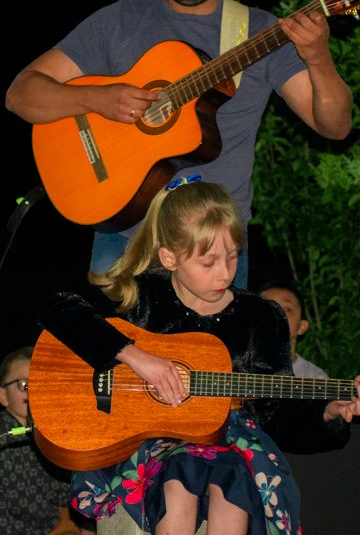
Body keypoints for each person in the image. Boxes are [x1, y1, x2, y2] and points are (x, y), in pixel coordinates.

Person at [4, 0, 353, 287]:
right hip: (122, 238)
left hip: (216, 254)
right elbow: (21, 94)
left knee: (210, 353)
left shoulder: (261, 32)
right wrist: (98, 99)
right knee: (111, 351)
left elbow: (335, 126)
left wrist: (318, 57)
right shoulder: (119, 20)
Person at [37, 178, 360, 535]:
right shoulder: (140, 295)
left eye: (233, 256)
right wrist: (133, 355)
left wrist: (328, 412)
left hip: (230, 440)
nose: (225, 273)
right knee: (183, 473)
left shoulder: (261, 317)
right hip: (148, 439)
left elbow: (277, 413)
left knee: (233, 478)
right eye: (209, 262)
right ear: (169, 258)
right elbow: (59, 308)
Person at [0, 346, 92, 535]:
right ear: (3, 396)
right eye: (24, 384)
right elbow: (30, 507)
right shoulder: (1, 435)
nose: (34, 392)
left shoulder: (53, 426)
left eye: (40, 383)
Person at [259, 280, 329, 379]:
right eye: (266, 306)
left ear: (302, 327)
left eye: (287, 309)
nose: (275, 313)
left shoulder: (315, 377)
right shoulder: (232, 364)